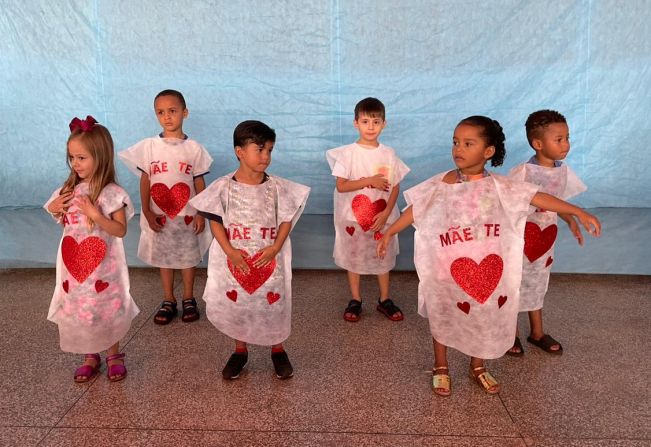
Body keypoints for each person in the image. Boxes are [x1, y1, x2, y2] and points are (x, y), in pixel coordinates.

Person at [377, 116, 600, 396]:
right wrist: (390, 232)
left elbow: (537, 197)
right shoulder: (445, 181)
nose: (459, 148)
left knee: (482, 313)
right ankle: (441, 365)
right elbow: (418, 208)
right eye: (456, 142)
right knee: (442, 310)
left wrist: (577, 211)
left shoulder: (500, 186)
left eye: (468, 143)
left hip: (487, 269)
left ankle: (478, 365)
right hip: (448, 265)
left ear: (488, 151)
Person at [189, 120, 310, 380]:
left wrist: (276, 246)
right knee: (239, 304)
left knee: (271, 303)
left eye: (269, 150)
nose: (265, 157)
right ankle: (240, 350)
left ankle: (277, 348)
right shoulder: (224, 187)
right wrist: (230, 251)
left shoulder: (277, 187)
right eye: (259, 149)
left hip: (268, 260)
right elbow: (215, 221)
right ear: (239, 151)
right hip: (236, 260)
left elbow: (286, 217)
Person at [45, 115, 139, 382]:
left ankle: (113, 354)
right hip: (73, 269)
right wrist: (54, 208)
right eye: (72, 158)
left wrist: (96, 215)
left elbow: (120, 230)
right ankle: (90, 355)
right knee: (81, 308)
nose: (76, 163)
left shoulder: (111, 193)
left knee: (104, 308)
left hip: (104, 270)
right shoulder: (67, 189)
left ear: (100, 156)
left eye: (82, 158)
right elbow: (59, 215)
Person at [119, 89, 213, 324]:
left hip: (187, 214)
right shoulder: (149, 147)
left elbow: (199, 180)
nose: (167, 117)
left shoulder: (194, 149)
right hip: (160, 214)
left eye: (172, 111)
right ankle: (168, 298)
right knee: (165, 258)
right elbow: (146, 179)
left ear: (185, 112)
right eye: (161, 112)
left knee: (188, 257)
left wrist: (201, 211)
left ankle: (189, 298)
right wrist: (147, 210)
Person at [506, 110, 587, 356]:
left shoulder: (563, 171)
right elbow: (510, 202)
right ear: (538, 144)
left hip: (545, 238)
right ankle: (511, 335)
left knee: (538, 283)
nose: (566, 144)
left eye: (567, 137)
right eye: (559, 139)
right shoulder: (524, 172)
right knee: (514, 283)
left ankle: (537, 332)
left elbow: (557, 201)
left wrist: (569, 219)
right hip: (520, 237)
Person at [326, 97, 410, 322]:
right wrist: (368, 181)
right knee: (355, 257)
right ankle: (355, 299)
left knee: (382, 255)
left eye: (375, 121)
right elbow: (342, 185)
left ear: (384, 124)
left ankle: (384, 299)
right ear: (356, 123)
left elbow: (395, 185)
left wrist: (386, 213)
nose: (370, 127)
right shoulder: (348, 154)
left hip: (382, 217)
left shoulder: (389, 154)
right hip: (353, 218)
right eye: (365, 121)